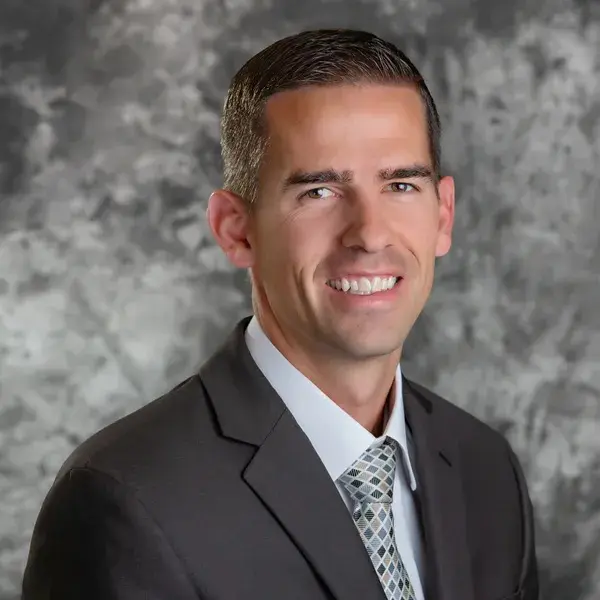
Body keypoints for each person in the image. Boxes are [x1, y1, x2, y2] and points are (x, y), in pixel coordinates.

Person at [21, 29, 539, 600]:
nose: (369, 234)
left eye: (400, 184)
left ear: (443, 216)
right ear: (235, 230)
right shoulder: (125, 502)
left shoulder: (486, 469)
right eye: (318, 192)